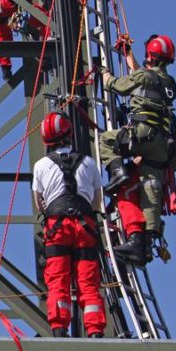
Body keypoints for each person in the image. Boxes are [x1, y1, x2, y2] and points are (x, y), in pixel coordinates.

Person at [98, 34, 176, 263]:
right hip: (162, 146)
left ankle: (117, 171)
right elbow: (145, 79)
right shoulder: (170, 84)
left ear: (150, 56)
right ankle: (144, 244)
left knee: (107, 140)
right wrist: (128, 56)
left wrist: (103, 74)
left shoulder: (145, 77)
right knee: (151, 188)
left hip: (141, 135)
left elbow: (119, 85)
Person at [31, 112, 106, 338]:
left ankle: (59, 328)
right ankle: (94, 330)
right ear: (69, 134)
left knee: (58, 279)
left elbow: (39, 203)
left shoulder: (41, 165)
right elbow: (97, 200)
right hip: (84, 226)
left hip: (57, 226)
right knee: (88, 280)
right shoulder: (88, 162)